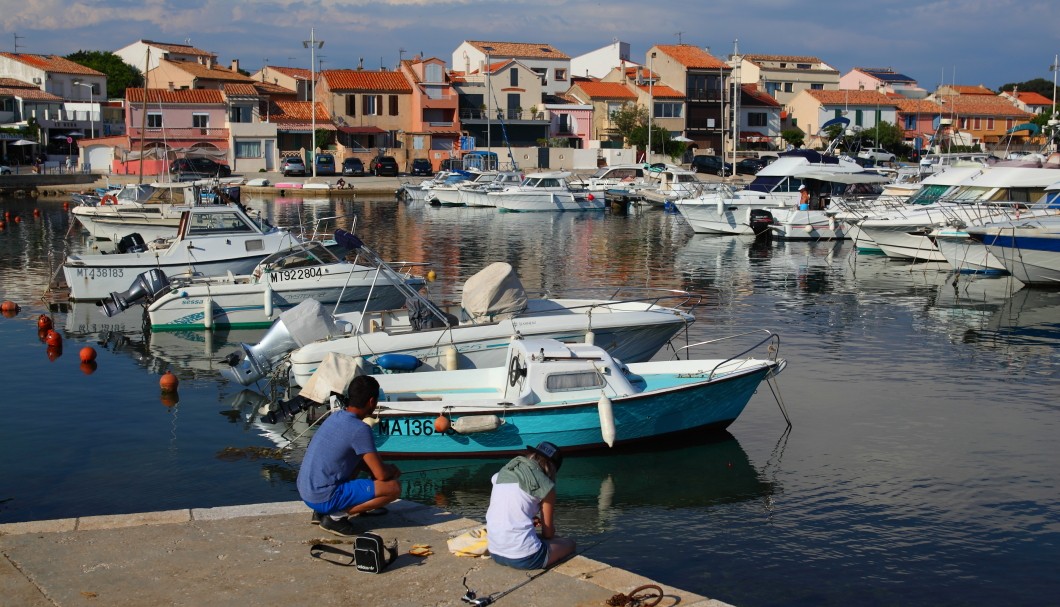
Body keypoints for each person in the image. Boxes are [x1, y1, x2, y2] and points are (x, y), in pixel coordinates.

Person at [296, 375, 402, 537]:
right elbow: (381, 474)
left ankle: (321, 513)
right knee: (393, 488)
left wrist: (376, 471)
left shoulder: (335, 417)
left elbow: (362, 463)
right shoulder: (360, 429)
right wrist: (391, 470)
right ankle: (336, 517)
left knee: (357, 460)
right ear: (372, 402)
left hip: (307, 492)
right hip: (323, 497)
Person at [485, 441, 576, 570]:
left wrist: (530, 518)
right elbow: (548, 534)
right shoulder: (547, 487)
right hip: (526, 558)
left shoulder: (501, 474)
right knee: (569, 543)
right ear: (553, 468)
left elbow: (507, 505)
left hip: (495, 552)